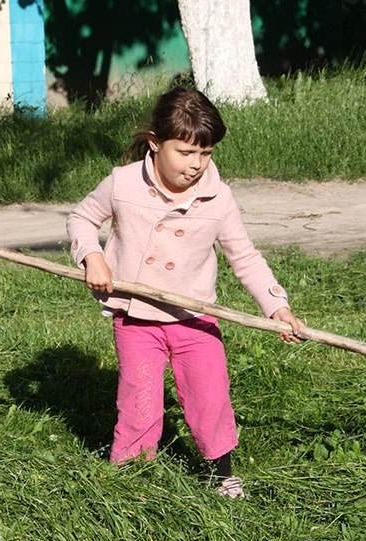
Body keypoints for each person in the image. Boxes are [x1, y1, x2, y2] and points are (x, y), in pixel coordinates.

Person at [66, 86, 304, 499]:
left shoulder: (218, 198)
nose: (196, 165)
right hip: (137, 317)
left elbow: (243, 256)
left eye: (206, 154)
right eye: (186, 153)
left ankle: (220, 472)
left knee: (209, 395)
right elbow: (82, 218)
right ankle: (132, 480)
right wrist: (93, 257)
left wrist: (276, 307)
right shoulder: (123, 183)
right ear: (156, 145)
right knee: (139, 398)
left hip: (195, 318)